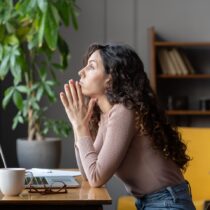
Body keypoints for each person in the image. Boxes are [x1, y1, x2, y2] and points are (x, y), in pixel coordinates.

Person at [60, 43, 196, 210]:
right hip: (153, 202)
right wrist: (78, 124)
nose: (81, 72)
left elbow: (96, 177)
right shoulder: (106, 115)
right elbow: (88, 173)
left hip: (168, 203)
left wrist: (81, 128)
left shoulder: (123, 111)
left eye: (91, 67)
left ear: (110, 79)